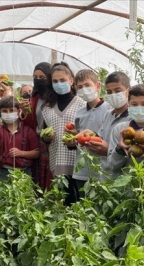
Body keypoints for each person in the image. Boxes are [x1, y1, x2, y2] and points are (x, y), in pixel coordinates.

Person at [37, 62, 85, 205]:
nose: (59, 84)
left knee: (79, 201)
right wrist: (46, 138)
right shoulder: (47, 108)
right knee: (63, 202)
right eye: (55, 81)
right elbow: (44, 133)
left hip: (78, 161)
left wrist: (76, 137)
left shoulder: (81, 104)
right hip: (56, 161)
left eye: (63, 80)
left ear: (71, 81)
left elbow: (88, 132)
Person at [107, 84, 144, 178]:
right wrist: (121, 149)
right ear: (128, 106)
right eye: (134, 104)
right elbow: (112, 165)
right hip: (124, 187)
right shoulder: (120, 130)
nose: (139, 108)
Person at [66, 69, 111, 195]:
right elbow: (79, 139)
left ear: (97, 86)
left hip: (102, 169)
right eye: (80, 87)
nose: (83, 89)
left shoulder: (109, 109)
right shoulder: (80, 112)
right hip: (82, 170)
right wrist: (72, 141)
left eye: (87, 85)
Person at [0, 96, 40, 180]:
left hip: (24, 172)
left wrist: (21, 153)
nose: (8, 113)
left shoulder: (27, 130)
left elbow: (37, 152)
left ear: (18, 111)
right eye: (4, 111)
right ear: (0, 113)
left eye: (11, 110)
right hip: (3, 171)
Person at [93, 71, 132, 179]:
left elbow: (133, 151)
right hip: (105, 176)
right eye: (109, 92)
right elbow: (101, 138)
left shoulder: (133, 118)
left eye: (117, 91)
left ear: (128, 91)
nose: (113, 95)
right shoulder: (108, 115)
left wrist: (109, 149)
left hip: (123, 178)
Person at [21, 62, 53, 190]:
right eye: (35, 77)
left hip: (54, 142)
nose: (38, 80)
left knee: (51, 177)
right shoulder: (34, 98)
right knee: (39, 177)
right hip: (38, 141)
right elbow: (31, 123)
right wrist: (25, 112)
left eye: (42, 77)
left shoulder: (55, 98)